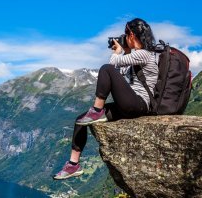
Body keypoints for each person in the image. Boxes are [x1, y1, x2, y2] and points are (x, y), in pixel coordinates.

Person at [53, 18, 159, 180]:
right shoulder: (135, 57)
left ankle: (97, 110)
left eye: (125, 34)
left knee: (106, 68)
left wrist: (117, 52)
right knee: (81, 119)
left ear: (131, 34)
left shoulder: (144, 54)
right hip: (129, 104)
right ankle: (73, 165)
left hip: (139, 104)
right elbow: (120, 75)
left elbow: (113, 65)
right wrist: (124, 51)